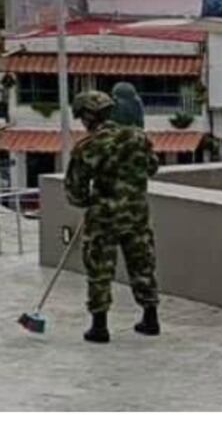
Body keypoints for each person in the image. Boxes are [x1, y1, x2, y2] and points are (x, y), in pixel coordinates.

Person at [64, 90, 161, 343]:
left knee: (100, 270)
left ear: (87, 117)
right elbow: (152, 167)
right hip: (137, 214)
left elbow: (75, 192)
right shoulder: (138, 137)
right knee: (142, 264)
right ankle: (150, 318)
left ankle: (99, 326)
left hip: (104, 218)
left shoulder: (88, 147)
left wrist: (91, 200)